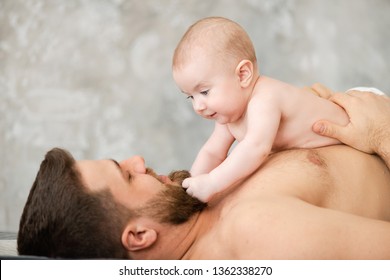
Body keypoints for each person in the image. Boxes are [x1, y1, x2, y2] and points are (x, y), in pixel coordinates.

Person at [17, 85, 390, 259]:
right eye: (127, 175)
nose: (137, 160)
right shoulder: (259, 234)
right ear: (140, 235)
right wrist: (382, 132)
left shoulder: (208, 204)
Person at [172, 17, 349, 202]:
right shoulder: (230, 116)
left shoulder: (264, 99)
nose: (198, 106)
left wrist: (212, 182)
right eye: (191, 97)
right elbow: (213, 152)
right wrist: (190, 186)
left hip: (346, 132)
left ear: (243, 75)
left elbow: (256, 148)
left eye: (204, 92)